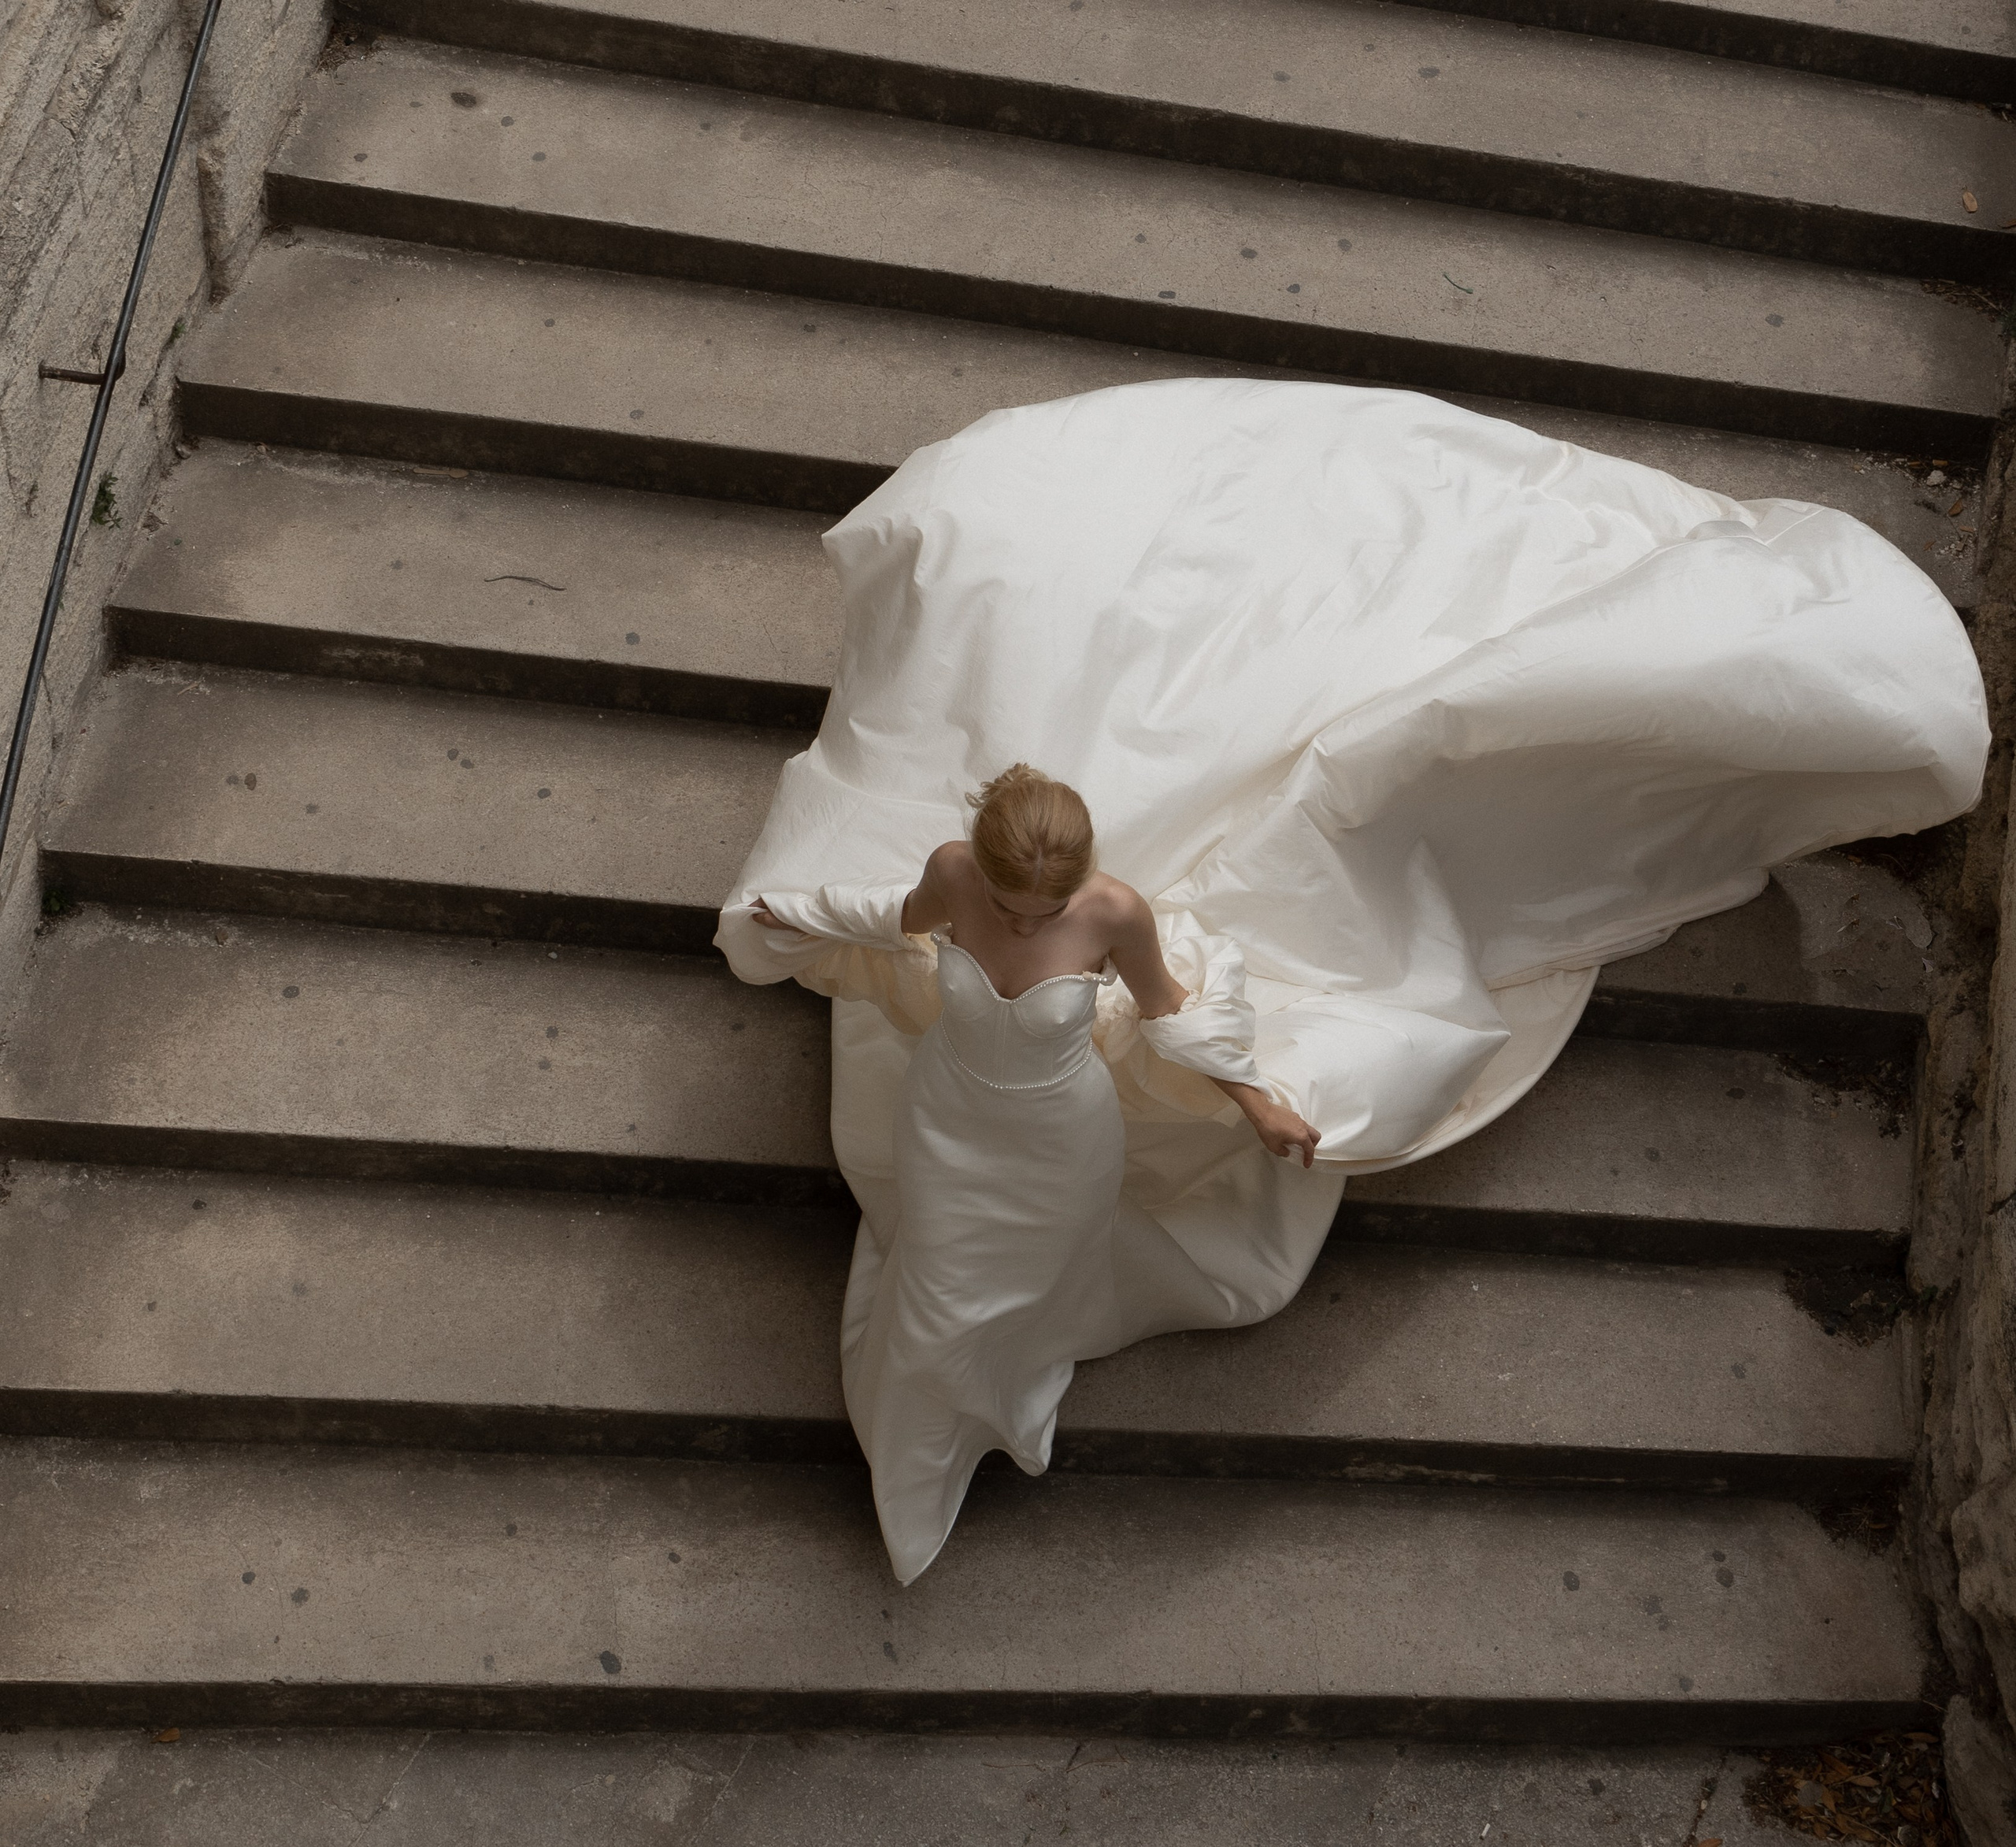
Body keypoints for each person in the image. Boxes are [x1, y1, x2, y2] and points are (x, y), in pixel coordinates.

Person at [718, 376, 1990, 1582]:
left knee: (1016, 1267)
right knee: (944, 1268)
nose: (1025, 917)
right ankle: (924, 1448)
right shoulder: (955, 871)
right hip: (955, 1111)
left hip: (1059, 1132)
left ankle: (997, 1391)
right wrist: (787, 906)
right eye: (1014, 903)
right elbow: (887, 914)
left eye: (1042, 903)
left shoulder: (1111, 910)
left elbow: (1171, 1008)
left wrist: (1264, 1099)